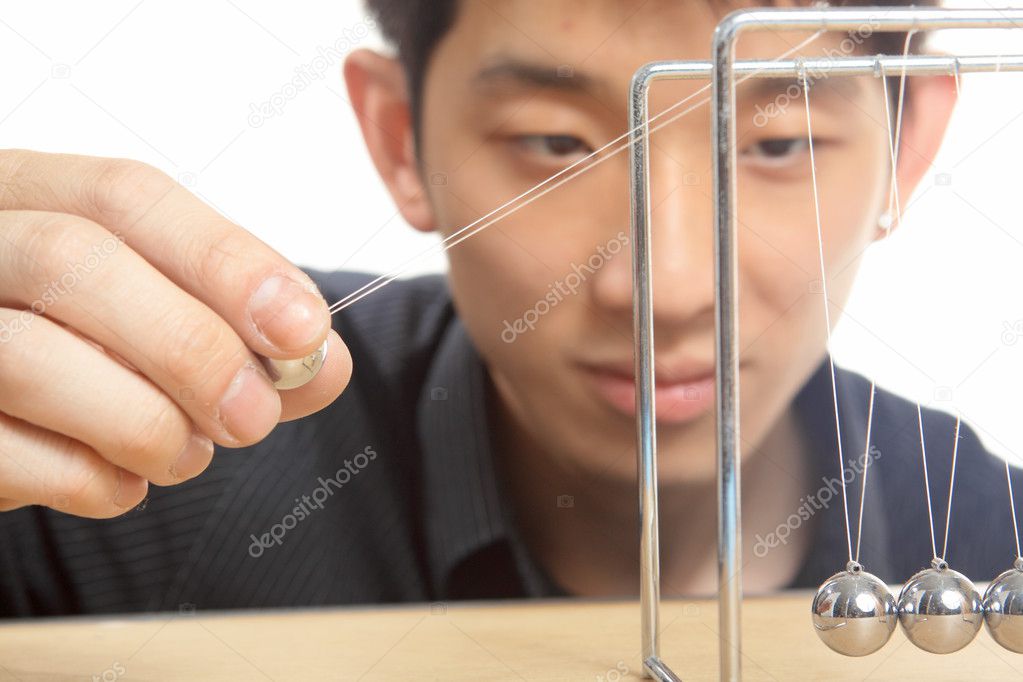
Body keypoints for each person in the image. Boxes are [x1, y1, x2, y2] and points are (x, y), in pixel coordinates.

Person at [0, 0, 1016, 617]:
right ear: (402, 140)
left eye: (779, 143)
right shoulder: (116, 484)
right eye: (554, 143)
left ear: (910, 141)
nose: (665, 291)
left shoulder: (993, 548)